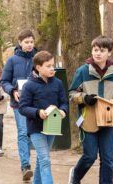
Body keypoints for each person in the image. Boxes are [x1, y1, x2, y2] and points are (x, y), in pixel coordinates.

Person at [68, 36, 113, 184]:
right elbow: (72, 94)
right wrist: (85, 98)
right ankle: (75, 176)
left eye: (102, 50)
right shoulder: (82, 71)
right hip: (88, 121)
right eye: (95, 50)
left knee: (108, 159)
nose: (98, 53)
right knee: (90, 156)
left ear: (109, 53)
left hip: (107, 121)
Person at [19, 51, 68, 184]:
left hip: (52, 127)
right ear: (38, 67)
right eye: (48, 66)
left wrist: (63, 111)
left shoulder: (58, 83)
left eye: (52, 65)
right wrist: (38, 112)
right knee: (45, 160)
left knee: (42, 159)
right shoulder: (29, 85)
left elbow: (64, 102)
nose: (52, 68)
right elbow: (22, 107)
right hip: (35, 129)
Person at [1, 29, 36, 182]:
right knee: (23, 132)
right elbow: (4, 81)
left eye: (31, 42)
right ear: (20, 43)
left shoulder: (38, 58)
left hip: (36, 103)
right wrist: (12, 90)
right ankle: (25, 166)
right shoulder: (12, 60)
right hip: (19, 103)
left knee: (30, 133)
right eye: (26, 42)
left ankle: (34, 162)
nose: (29, 45)